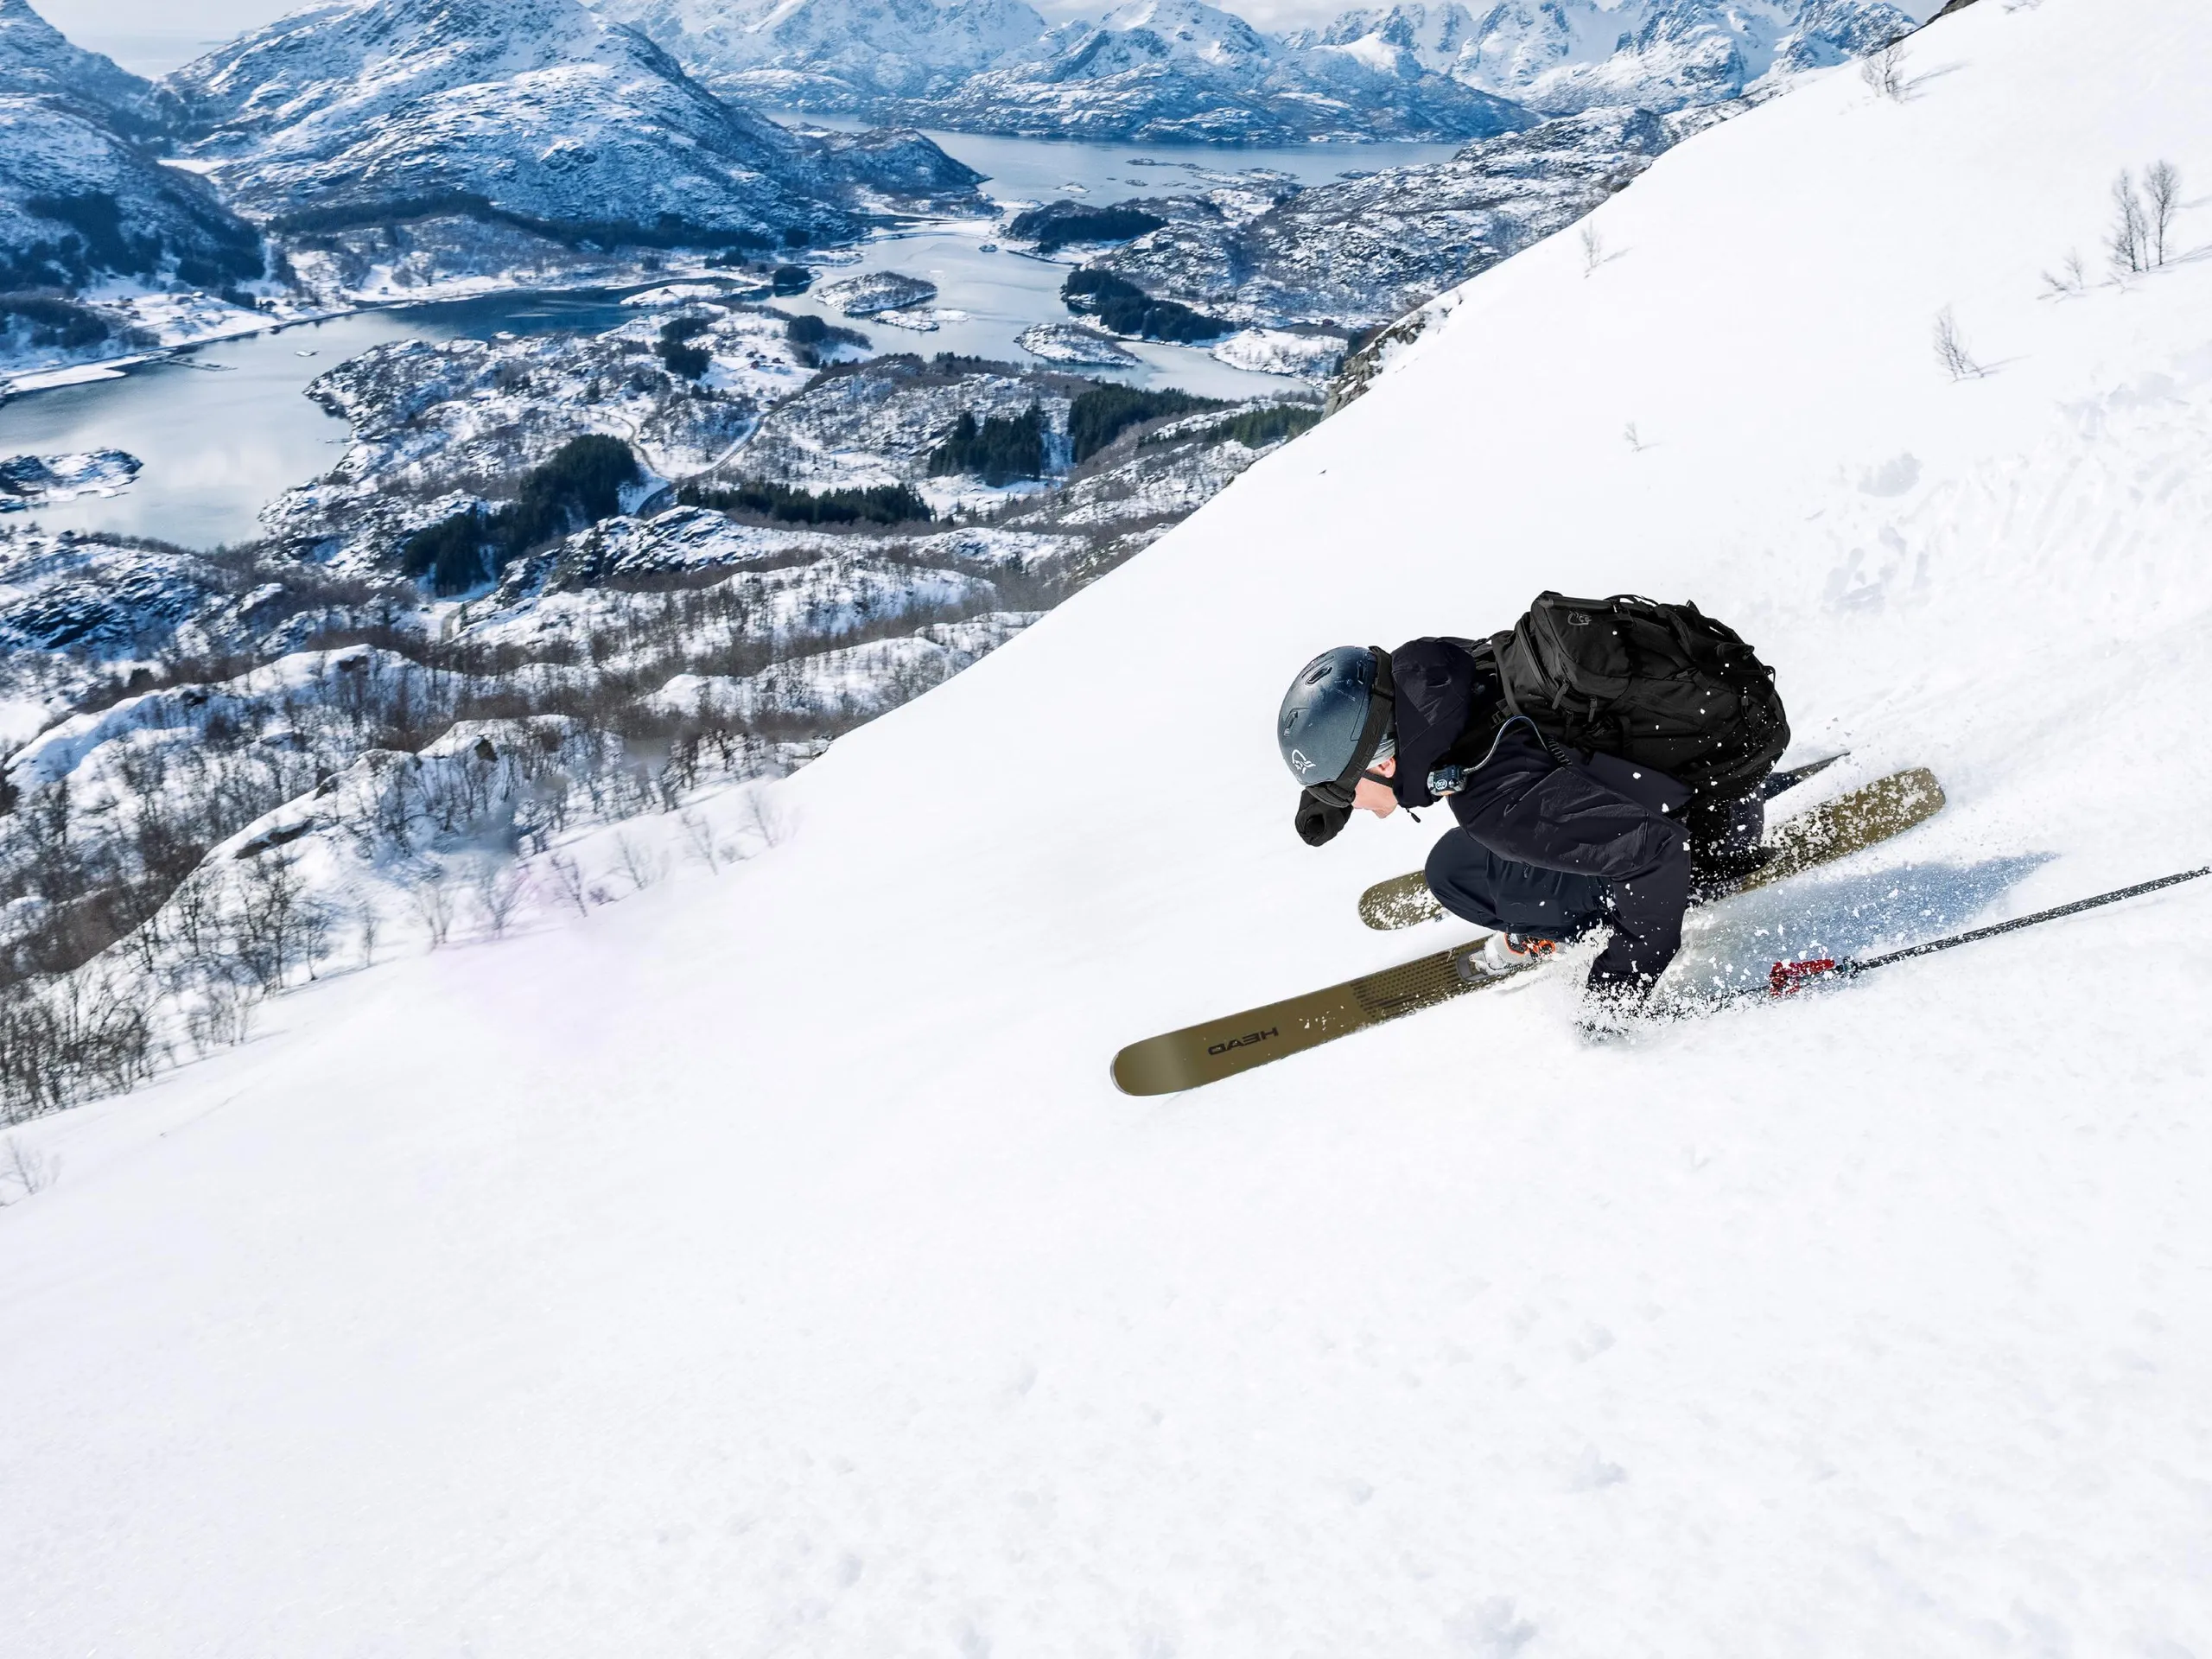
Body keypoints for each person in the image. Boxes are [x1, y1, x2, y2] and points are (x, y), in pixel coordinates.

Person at [1279, 636, 1775, 1010]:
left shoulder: (1495, 804)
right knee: (1468, 853)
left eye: (1345, 793)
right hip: (1717, 767)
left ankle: (1555, 924)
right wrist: (1326, 788)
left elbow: (1656, 854)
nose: (1353, 806)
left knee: (1454, 874)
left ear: (1383, 764)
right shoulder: (1453, 670)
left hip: (1705, 842)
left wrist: (1617, 993)